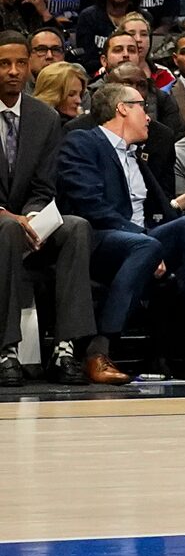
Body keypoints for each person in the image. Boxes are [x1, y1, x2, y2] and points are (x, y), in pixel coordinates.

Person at [55, 79, 185, 377]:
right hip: (97, 240)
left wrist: (169, 216)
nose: (148, 116)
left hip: (139, 239)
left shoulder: (136, 155)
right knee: (147, 245)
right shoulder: (83, 142)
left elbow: (152, 214)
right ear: (122, 109)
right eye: (142, 107)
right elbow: (90, 206)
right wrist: (144, 241)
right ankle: (99, 350)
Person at [0, 28, 102, 384]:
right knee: (7, 228)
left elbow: (44, 184)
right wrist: (11, 217)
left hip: (25, 220)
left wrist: (32, 215)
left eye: (20, 63)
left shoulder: (43, 117)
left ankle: (65, 348)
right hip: (2, 224)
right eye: (4, 64)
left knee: (75, 227)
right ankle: (6, 350)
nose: (13, 71)